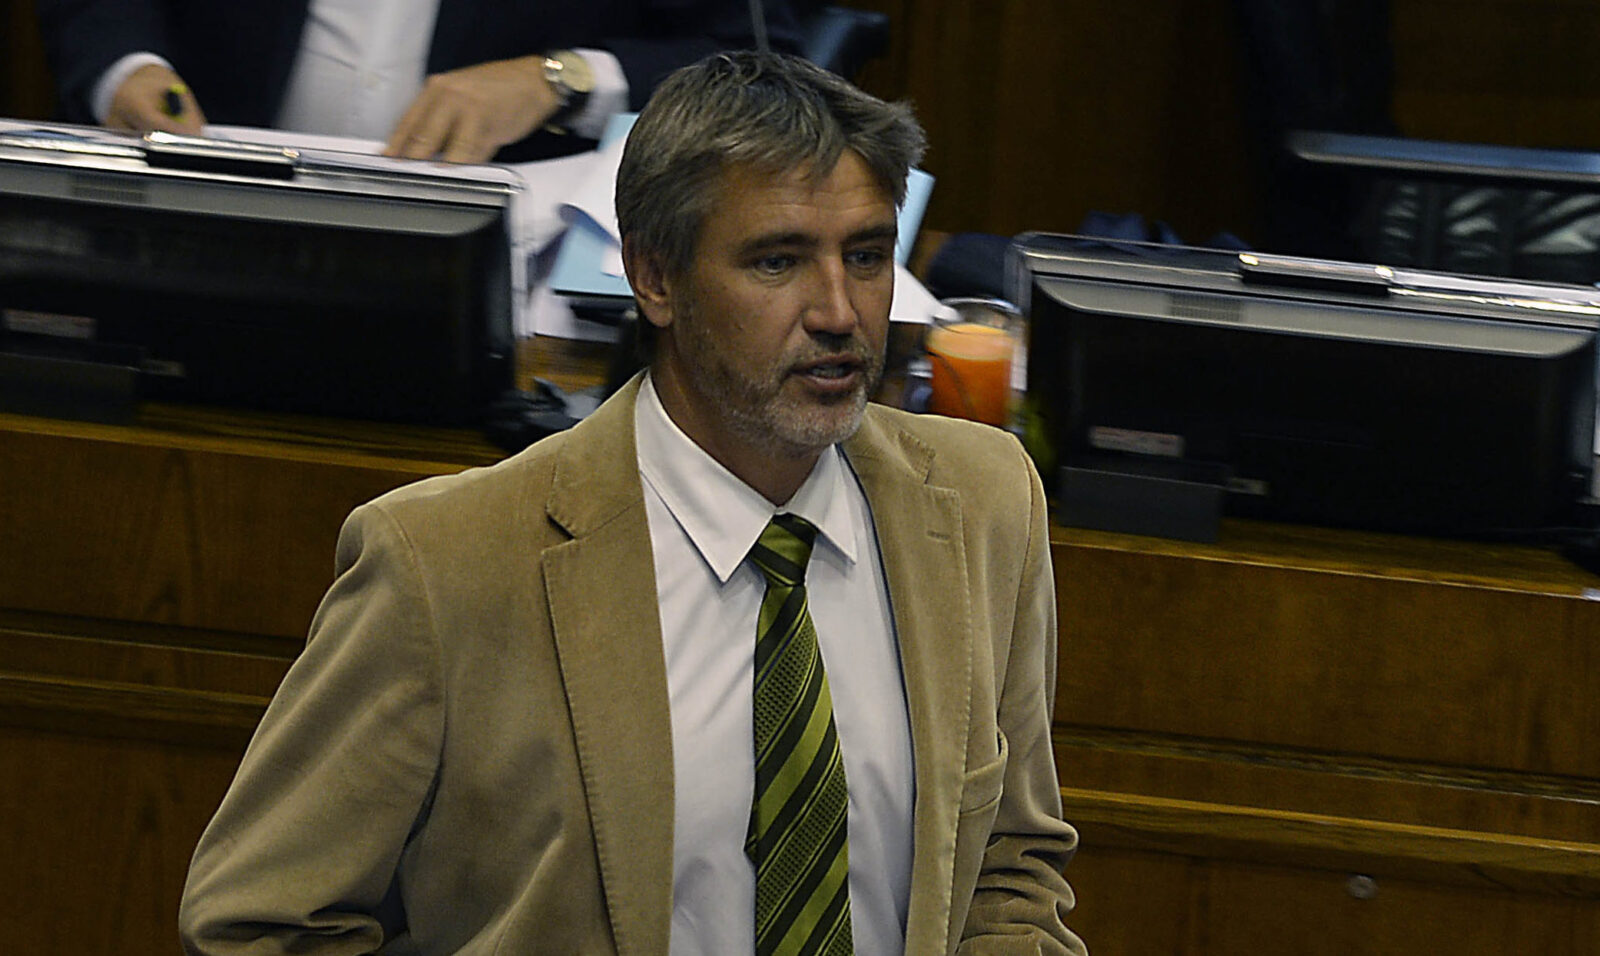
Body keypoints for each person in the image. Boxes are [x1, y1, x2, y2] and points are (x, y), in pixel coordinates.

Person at [179, 50, 1085, 955]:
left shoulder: (982, 503)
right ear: (653, 278)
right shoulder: (444, 564)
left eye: (866, 256)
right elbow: (255, 924)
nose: (839, 312)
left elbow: (1010, 867)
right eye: (778, 262)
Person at [33, 0, 810, 163]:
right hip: (218, 201)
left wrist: (563, 79)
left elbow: (758, 59)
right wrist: (126, 68)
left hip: (505, 261)